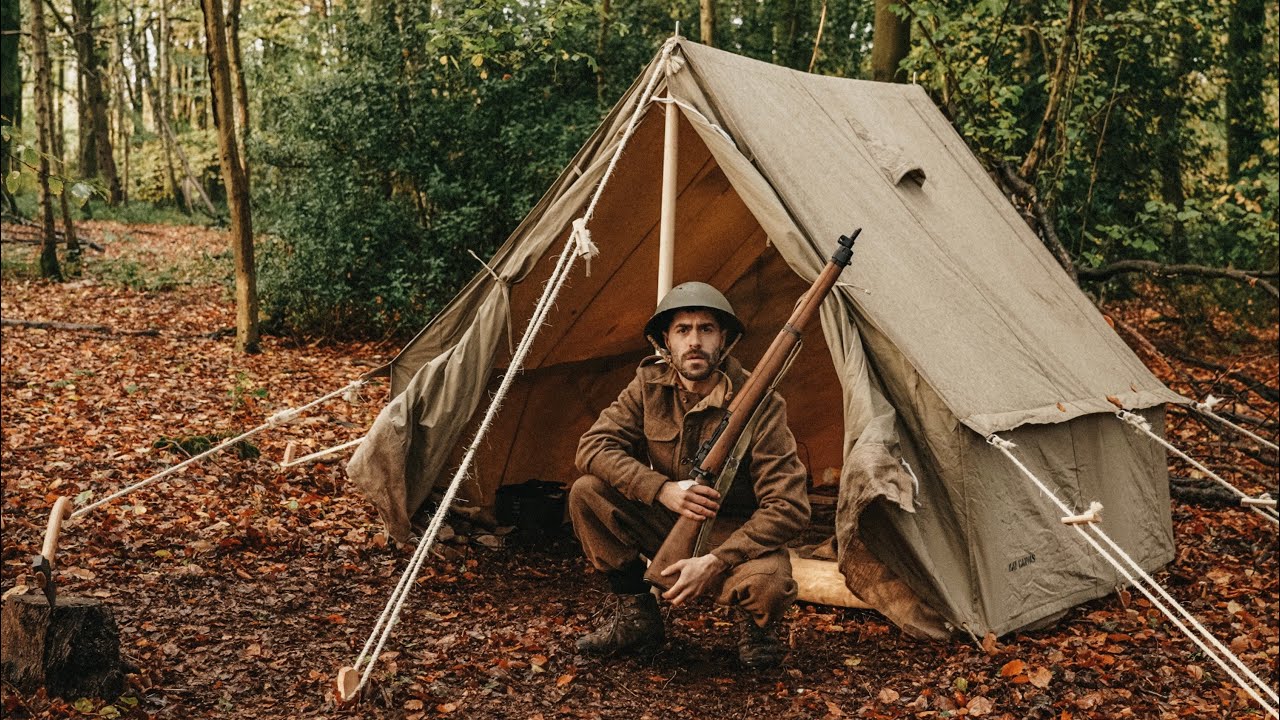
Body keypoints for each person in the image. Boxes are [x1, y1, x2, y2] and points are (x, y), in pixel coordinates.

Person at [568, 281, 811, 669]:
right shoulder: (648, 386)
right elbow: (593, 447)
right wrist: (661, 489)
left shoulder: (762, 403)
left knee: (769, 583)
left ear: (724, 338)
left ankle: (756, 631)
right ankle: (637, 617)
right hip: (668, 519)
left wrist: (715, 560)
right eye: (683, 330)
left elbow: (789, 506)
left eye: (706, 329)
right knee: (587, 492)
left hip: (733, 533)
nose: (694, 341)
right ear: (666, 340)